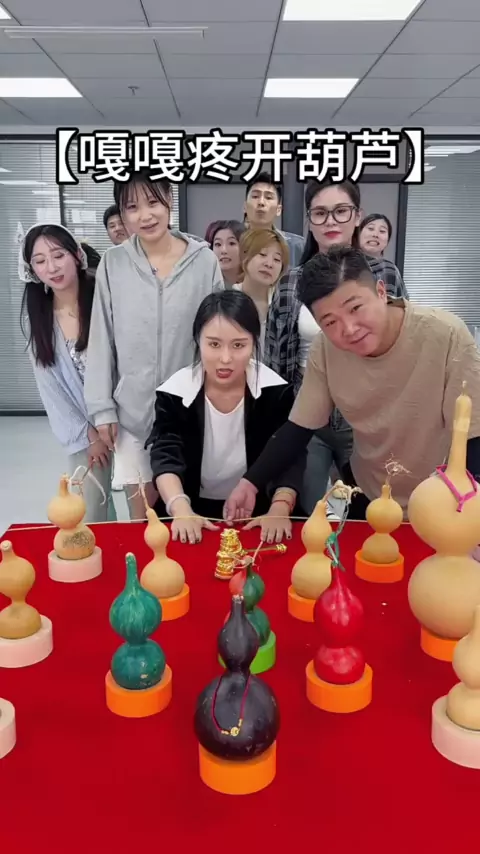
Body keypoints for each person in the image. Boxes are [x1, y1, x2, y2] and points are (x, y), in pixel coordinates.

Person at [223, 246, 480, 524]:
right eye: (330, 322)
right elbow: (299, 427)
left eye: (355, 308)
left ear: (381, 291)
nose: (349, 329)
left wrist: (465, 508)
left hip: (439, 501)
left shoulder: (446, 334)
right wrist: (251, 482)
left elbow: (474, 437)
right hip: (369, 492)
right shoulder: (325, 349)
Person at [84, 169, 224, 520]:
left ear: (169, 200)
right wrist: (102, 409)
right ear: (122, 213)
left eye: (152, 202)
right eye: (132, 207)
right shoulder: (114, 263)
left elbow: (218, 333)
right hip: (132, 413)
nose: (145, 215)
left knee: (188, 511)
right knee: (143, 518)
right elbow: (101, 336)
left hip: (189, 409)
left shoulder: (203, 260)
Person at [264, 178, 409, 515]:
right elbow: (275, 360)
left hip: (371, 417)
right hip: (309, 416)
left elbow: (404, 342)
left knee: (374, 513)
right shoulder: (290, 283)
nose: (330, 221)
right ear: (309, 221)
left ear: (357, 216)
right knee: (304, 511)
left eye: (341, 211)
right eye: (320, 213)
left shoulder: (384, 274)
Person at [147, 290, 304, 544]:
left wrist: (280, 508)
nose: (225, 358)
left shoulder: (275, 391)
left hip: (261, 511)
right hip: (191, 509)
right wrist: (180, 508)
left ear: (254, 342)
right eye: (214, 344)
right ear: (198, 340)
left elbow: (289, 455)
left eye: (239, 345)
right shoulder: (175, 392)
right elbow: (165, 454)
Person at [19, 224, 112, 523]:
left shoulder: (104, 299)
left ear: (77, 255)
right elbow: (51, 390)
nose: (52, 267)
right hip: (83, 432)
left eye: (58, 255)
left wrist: (109, 419)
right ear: (32, 269)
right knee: (90, 508)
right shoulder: (40, 319)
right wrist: (90, 436)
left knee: (142, 504)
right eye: (40, 260)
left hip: (127, 419)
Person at [233, 228, 288, 355]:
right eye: (262, 254)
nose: (269, 264)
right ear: (244, 256)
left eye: (277, 259)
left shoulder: (284, 305)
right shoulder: (228, 301)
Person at [243, 171, 305, 269]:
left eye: (268, 197)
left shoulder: (297, 247)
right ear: (245, 207)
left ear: (278, 209)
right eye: (255, 196)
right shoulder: (232, 243)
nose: (261, 202)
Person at [210, 219, 246, 288]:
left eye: (231, 243)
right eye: (218, 244)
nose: (223, 250)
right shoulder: (207, 283)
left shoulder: (255, 281)